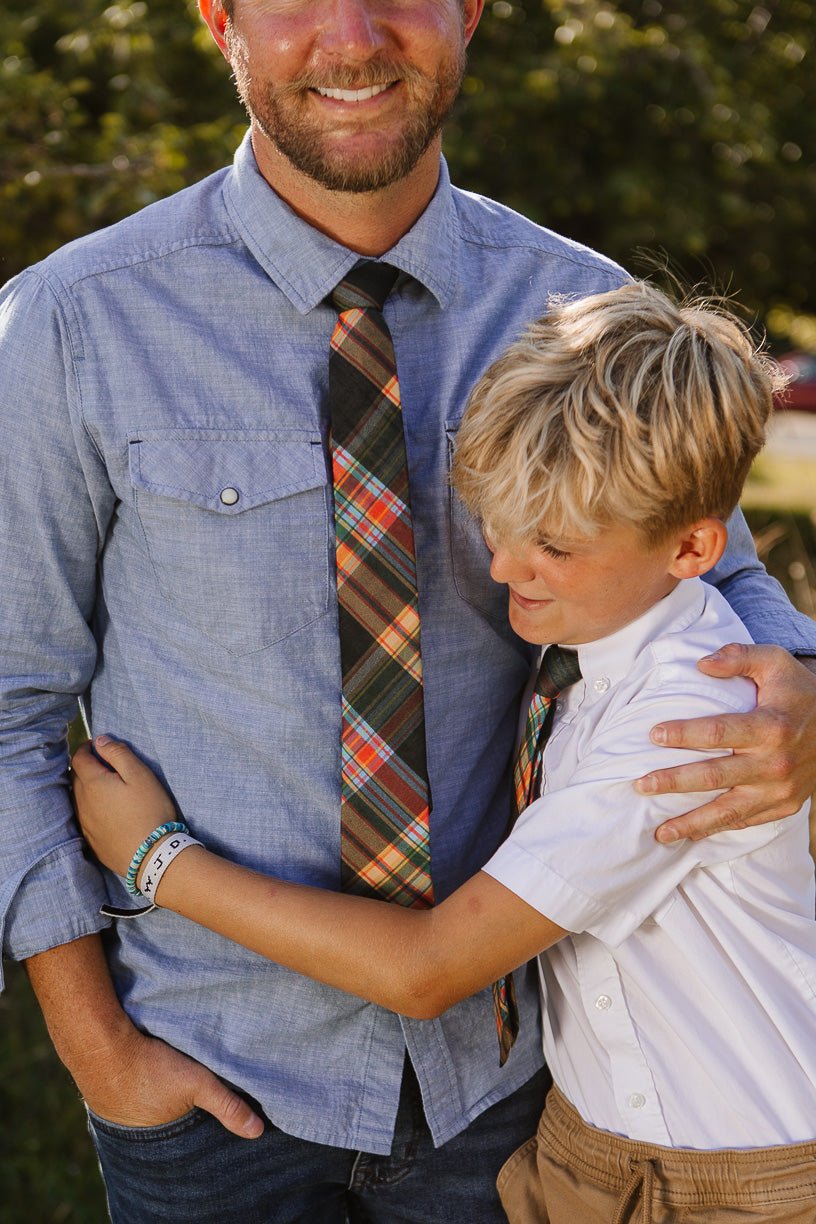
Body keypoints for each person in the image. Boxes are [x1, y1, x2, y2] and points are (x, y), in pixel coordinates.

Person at [1, 0, 815, 1217]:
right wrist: (98, 1052)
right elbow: (9, 704)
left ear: (470, 10)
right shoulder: (70, 326)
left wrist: (803, 670)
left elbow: (717, 571)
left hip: (500, 1086)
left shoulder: (579, 308)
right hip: (211, 1079)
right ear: (218, 16)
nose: (352, 33)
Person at [74, 281, 816, 1224]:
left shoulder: (677, 730)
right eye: (497, 525)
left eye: (552, 543)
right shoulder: (595, 651)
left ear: (691, 547)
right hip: (591, 1154)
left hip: (735, 1181)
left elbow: (427, 970)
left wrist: (157, 859)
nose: (505, 568)